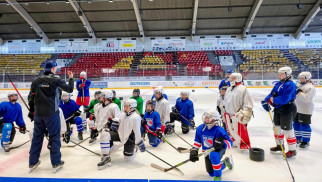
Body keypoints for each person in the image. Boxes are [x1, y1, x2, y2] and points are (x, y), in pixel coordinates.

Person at [28, 61, 74, 173]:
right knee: (54, 137)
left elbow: (31, 97)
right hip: (51, 114)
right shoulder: (55, 79)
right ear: (53, 68)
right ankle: (56, 162)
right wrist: (71, 78)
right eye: (56, 68)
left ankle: (32, 162)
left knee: (37, 138)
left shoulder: (36, 80)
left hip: (39, 114)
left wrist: (32, 111)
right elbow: (70, 89)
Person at [98, 99, 145, 170]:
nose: (125, 107)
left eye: (127, 106)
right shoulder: (123, 113)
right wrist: (113, 122)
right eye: (125, 105)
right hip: (119, 135)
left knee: (128, 158)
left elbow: (137, 132)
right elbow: (118, 119)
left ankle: (135, 148)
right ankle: (106, 158)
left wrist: (139, 142)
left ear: (132, 107)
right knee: (104, 135)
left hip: (129, 138)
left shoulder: (136, 117)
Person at [261, 66, 297, 158]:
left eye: (281, 74)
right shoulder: (278, 84)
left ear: (287, 74)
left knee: (287, 130)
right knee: (276, 128)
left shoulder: (290, 85)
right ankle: (279, 146)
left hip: (287, 108)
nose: (279, 76)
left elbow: (286, 98)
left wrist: (274, 100)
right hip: (278, 109)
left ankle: (292, 150)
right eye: (279, 74)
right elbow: (272, 93)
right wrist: (266, 100)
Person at [190, 110, 233, 181]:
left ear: (213, 120)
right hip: (207, 152)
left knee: (213, 155)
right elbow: (197, 142)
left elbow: (230, 142)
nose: (204, 118)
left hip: (218, 150)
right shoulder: (200, 128)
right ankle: (225, 163)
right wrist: (194, 150)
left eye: (207, 117)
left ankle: (218, 177)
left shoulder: (219, 130)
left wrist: (222, 143)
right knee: (211, 173)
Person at [223, 73, 253, 150]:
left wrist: (245, 111)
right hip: (228, 114)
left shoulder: (242, 88)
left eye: (233, 78)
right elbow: (226, 100)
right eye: (231, 78)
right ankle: (236, 141)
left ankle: (243, 145)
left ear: (238, 78)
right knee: (230, 129)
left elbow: (247, 102)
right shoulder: (229, 88)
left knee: (239, 130)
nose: (231, 80)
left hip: (237, 113)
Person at [293, 71, 316, 149]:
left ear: (307, 78)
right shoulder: (299, 85)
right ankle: (298, 138)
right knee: (295, 124)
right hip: (297, 108)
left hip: (305, 109)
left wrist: (299, 93)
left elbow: (307, 99)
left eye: (302, 78)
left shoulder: (310, 87)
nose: (301, 79)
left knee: (304, 125)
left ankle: (306, 141)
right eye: (300, 78)